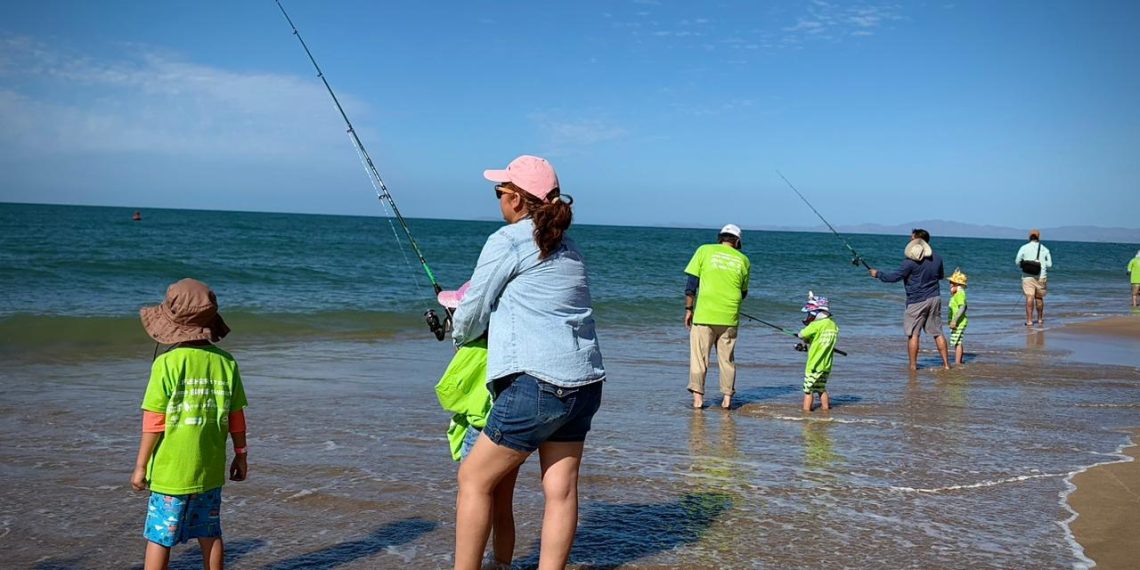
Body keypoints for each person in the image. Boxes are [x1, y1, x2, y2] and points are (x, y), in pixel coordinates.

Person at [450, 155, 605, 570]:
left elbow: (472, 311)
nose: (498, 200)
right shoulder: (571, 248)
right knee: (561, 491)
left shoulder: (508, 239)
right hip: (586, 384)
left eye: (499, 193)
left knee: (474, 479)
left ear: (518, 200)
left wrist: (455, 328)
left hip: (537, 385)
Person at [131, 278, 248, 570]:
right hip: (208, 468)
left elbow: (154, 421)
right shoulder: (227, 362)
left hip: (171, 472)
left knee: (160, 537)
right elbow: (236, 416)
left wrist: (141, 466)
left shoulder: (166, 364)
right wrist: (241, 455)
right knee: (210, 533)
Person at [434, 283, 514, 570]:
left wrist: (458, 346)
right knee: (503, 504)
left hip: (481, 433)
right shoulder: (507, 348)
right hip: (511, 429)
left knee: (472, 495)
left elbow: (449, 393)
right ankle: (502, 564)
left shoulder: (471, 350)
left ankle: (470, 564)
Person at [683, 224, 751, 410]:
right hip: (729, 316)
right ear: (737, 241)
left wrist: (689, 308)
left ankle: (698, 400)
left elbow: (691, 284)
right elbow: (743, 292)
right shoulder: (743, 260)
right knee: (727, 360)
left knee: (699, 359)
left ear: (720, 237)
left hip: (705, 315)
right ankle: (727, 399)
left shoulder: (704, 250)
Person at [868, 229, 951, 370]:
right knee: (937, 332)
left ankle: (913, 366)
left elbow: (893, 278)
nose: (910, 241)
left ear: (917, 240)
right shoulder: (937, 258)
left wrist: (877, 274)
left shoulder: (909, 262)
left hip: (916, 301)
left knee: (913, 334)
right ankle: (947, 365)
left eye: (911, 238)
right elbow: (940, 276)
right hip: (935, 298)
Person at [796, 293, 839, 412]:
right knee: (821, 389)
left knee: (808, 390)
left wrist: (804, 338)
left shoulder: (816, 325)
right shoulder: (833, 325)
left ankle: (806, 413)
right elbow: (819, 338)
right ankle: (826, 411)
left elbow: (802, 334)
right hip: (826, 365)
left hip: (814, 365)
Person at [1015, 229, 1053, 326]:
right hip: (1041, 276)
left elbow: (1017, 261)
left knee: (1029, 297)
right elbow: (1049, 264)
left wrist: (1025, 264)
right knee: (1039, 298)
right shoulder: (1045, 249)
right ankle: (1040, 319)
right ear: (1038, 237)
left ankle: (1029, 321)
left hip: (1027, 276)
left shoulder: (1023, 247)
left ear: (1029, 237)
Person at [947, 269, 969, 365]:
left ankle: (958, 362)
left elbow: (963, 307)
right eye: (950, 283)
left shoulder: (960, 294)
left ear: (958, 285)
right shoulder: (957, 294)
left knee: (957, 342)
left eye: (952, 283)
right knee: (957, 341)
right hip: (957, 322)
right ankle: (959, 361)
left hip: (959, 322)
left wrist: (954, 321)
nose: (950, 285)